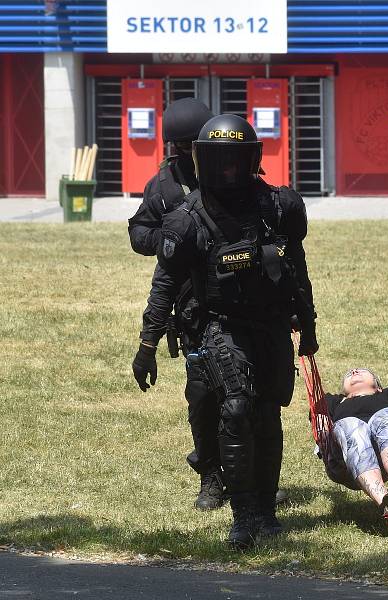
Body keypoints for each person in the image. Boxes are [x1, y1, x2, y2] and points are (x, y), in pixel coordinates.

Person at [157, 113, 318, 549]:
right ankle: (243, 511)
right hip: (220, 326)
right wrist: (146, 340)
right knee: (235, 409)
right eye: (219, 160)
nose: (228, 170)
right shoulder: (188, 217)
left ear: (252, 159)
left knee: (266, 415)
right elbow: (166, 281)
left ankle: (266, 510)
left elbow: (297, 268)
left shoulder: (280, 206)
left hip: (270, 326)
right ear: (203, 161)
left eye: (236, 159)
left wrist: (309, 324)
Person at [128, 97, 231, 510]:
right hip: (192, 304)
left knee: (247, 398)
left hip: (238, 298)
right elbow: (139, 233)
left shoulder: (232, 172)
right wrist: (174, 241)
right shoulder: (165, 186)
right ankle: (210, 474)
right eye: (184, 145)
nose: (189, 152)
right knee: (204, 397)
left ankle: (251, 478)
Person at [319, 368, 388, 536]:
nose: (354, 371)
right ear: (343, 391)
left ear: (378, 386)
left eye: (361, 371)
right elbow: (317, 420)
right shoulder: (332, 402)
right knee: (351, 426)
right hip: (347, 461)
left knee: (384, 416)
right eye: (349, 373)